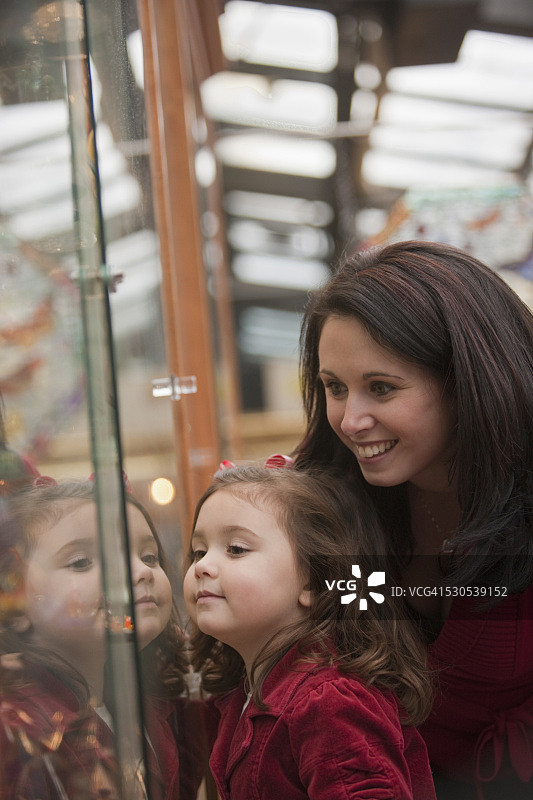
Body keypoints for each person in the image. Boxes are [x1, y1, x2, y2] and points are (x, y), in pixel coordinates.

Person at [295, 239, 533, 799]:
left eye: (381, 388)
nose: (350, 420)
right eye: (335, 388)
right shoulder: (327, 505)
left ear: (468, 380)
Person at [184, 461, 437, 800]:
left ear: (314, 582)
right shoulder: (239, 695)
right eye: (198, 551)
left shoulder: (330, 703)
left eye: (236, 549)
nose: (202, 566)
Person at [0, 479, 202, 800]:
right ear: (15, 599)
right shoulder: (18, 729)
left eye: (149, 556)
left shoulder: (146, 707)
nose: (141, 572)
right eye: (82, 562)